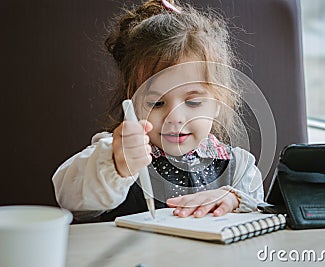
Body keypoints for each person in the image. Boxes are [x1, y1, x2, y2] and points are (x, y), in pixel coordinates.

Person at [52, 0, 264, 222]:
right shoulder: (114, 153)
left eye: (193, 103)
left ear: (219, 102)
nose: (175, 118)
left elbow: (264, 211)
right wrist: (117, 165)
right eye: (157, 104)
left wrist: (235, 200)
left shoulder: (238, 166)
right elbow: (69, 200)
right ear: (132, 103)